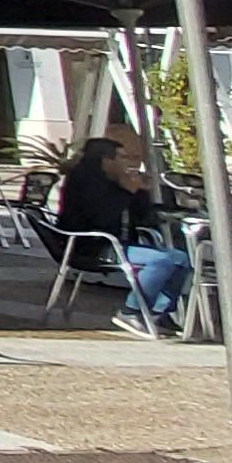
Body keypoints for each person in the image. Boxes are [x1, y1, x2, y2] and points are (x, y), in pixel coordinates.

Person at [55, 134, 192, 335]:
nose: (127, 162)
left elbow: (143, 216)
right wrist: (127, 191)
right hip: (92, 245)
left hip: (115, 242)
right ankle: (131, 311)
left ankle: (158, 312)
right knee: (161, 261)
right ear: (106, 160)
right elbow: (101, 216)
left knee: (180, 259)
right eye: (122, 157)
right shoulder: (85, 181)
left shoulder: (112, 181)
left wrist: (140, 192)